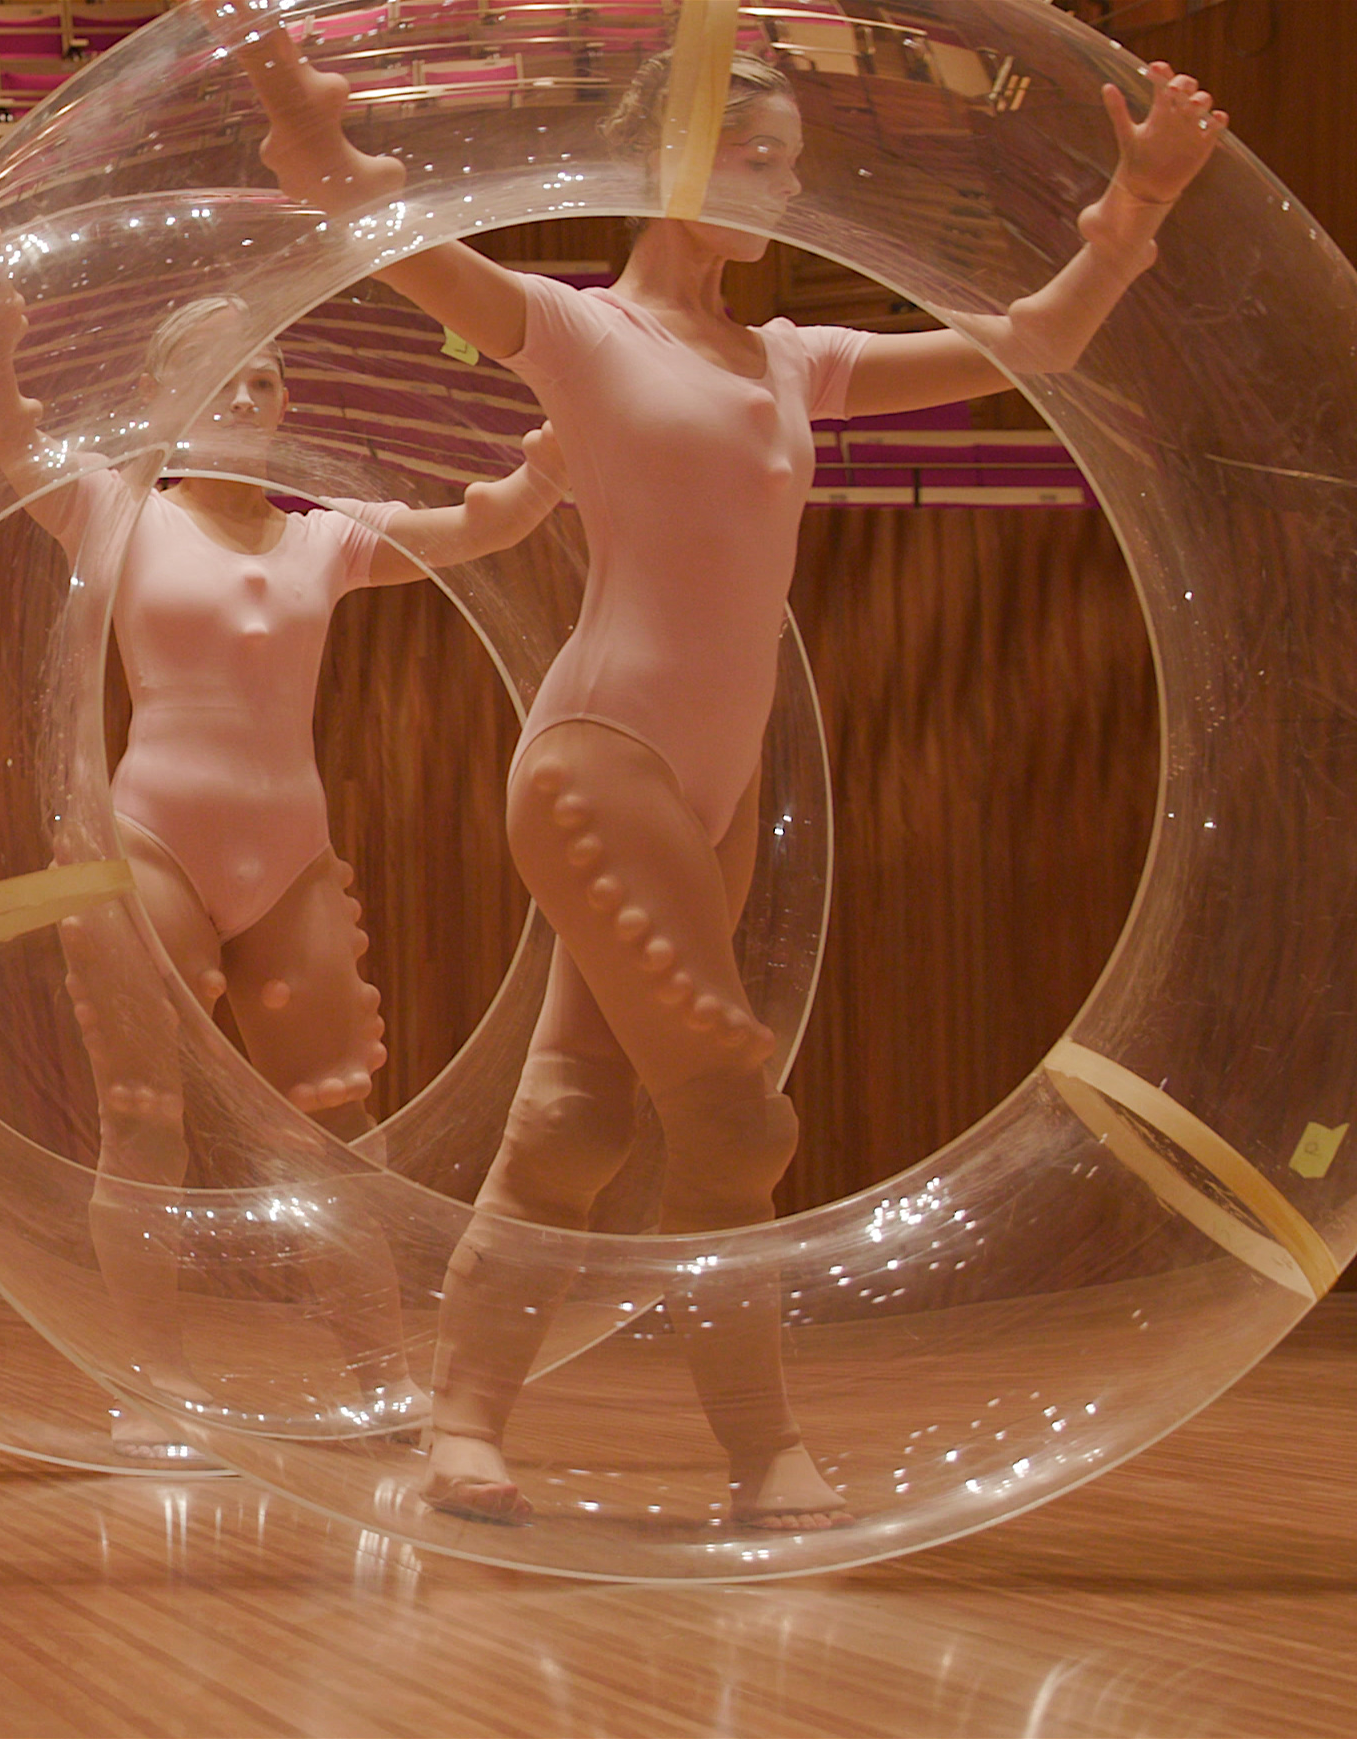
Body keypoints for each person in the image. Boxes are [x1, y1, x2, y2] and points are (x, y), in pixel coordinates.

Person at [224, 8, 1223, 1525]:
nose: (774, 177)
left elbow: (1035, 346)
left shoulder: (790, 359)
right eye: (749, 147)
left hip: (713, 786)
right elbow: (407, 248)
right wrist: (319, 153)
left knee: (575, 1118)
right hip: (599, 763)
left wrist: (1137, 205)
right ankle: (763, 1456)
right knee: (739, 1113)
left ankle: (465, 1427)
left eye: (789, 159)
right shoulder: (582, 331)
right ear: (662, 158)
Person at [0, 279, 567, 1457]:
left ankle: (376, 1383)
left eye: (267, 375)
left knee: (335, 1127)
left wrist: (549, 468)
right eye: (222, 372)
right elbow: (8, 440)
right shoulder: (116, 512)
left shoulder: (323, 537)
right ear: (161, 397)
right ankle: (154, 1386)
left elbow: (475, 531)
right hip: (147, 845)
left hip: (286, 856)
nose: (248, 392)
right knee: (142, 1119)